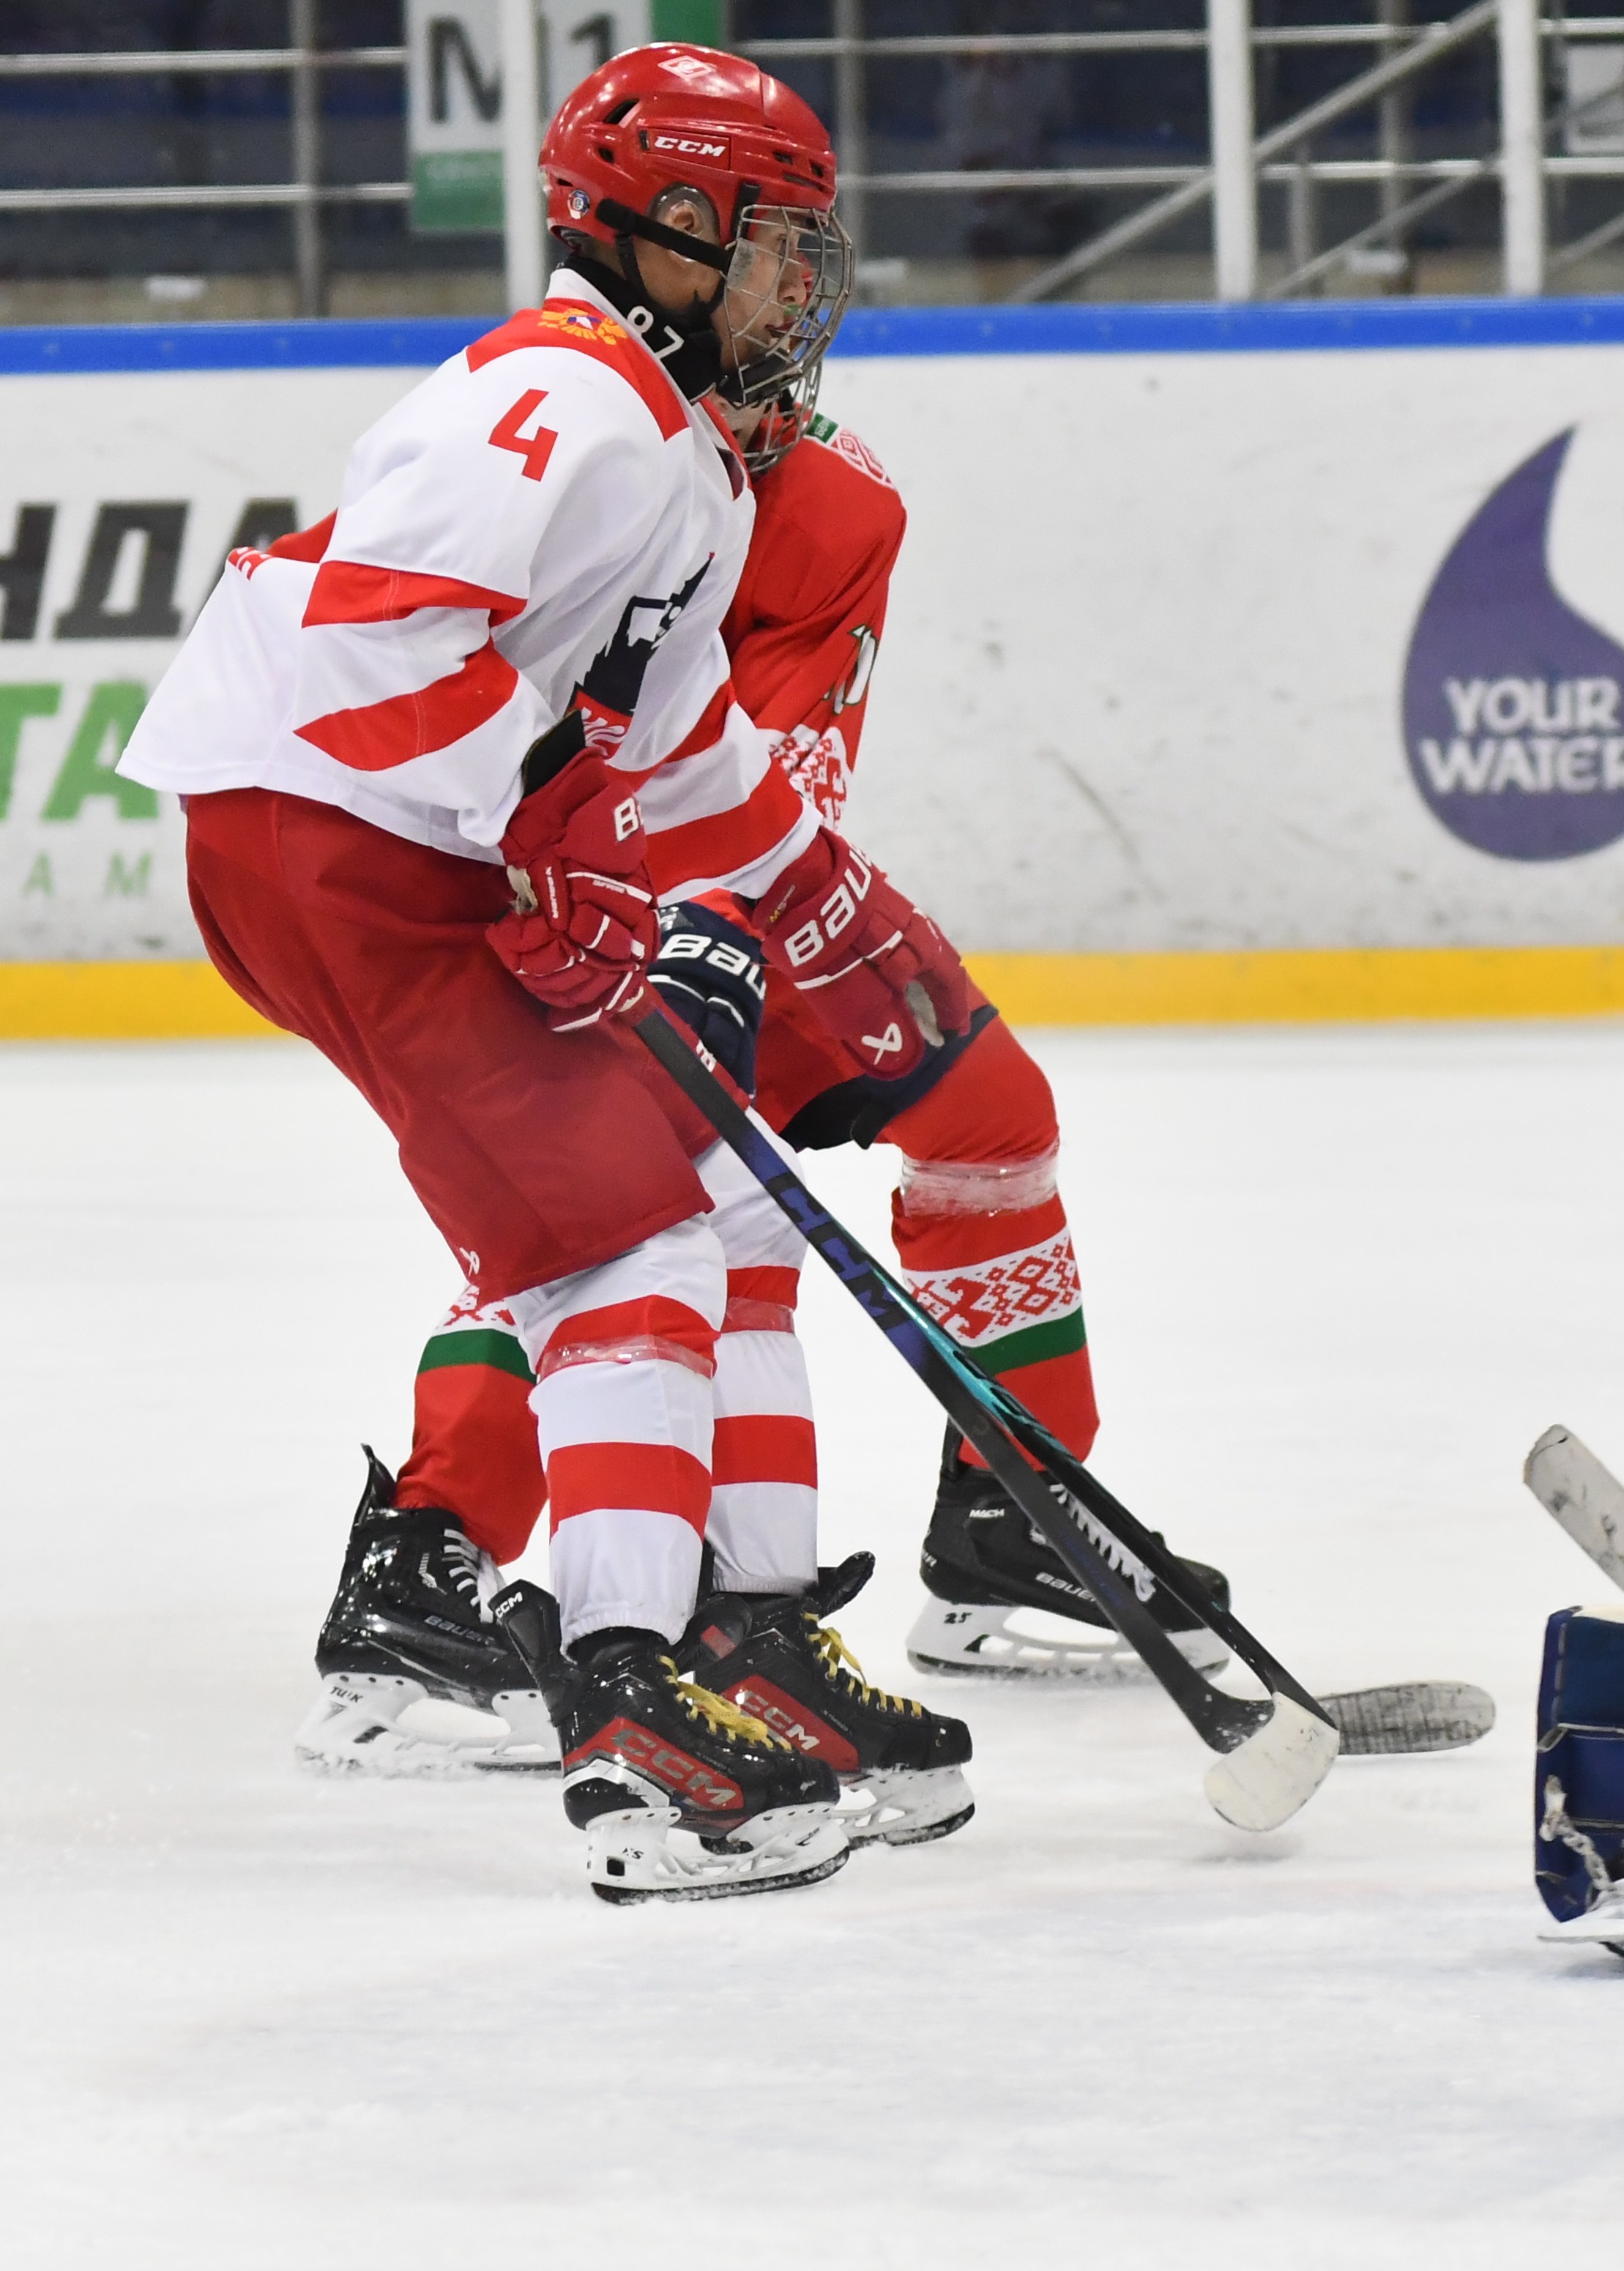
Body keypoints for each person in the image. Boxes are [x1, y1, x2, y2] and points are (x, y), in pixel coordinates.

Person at [122, 43, 973, 1902]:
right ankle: (630, 1716)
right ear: (664, 230)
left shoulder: (684, 455)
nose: (798, 290)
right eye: (768, 248)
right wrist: (536, 840)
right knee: (630, 1250)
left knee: (719, 1220)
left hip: (377, 839)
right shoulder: (559, 397)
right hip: (333, 843)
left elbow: (689, 757)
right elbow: (375, 645)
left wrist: (815, 914)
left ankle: (749, 1640)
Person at [298, 376, 1232, 1802]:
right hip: (536, 894)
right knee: (602, 1214)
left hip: (735, 881)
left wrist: (733, 944)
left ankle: (1011, 1519)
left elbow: (765, 779)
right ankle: (432, 1562)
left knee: (988, 1121)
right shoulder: (556, 458)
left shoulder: (836, 502)